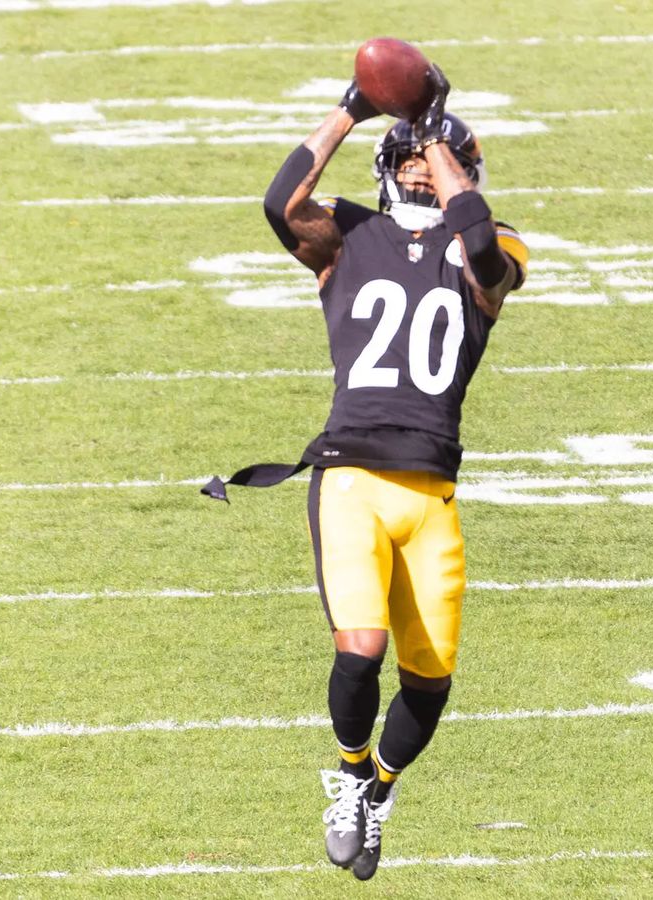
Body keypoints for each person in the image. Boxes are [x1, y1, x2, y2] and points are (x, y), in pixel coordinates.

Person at [202, 64, 528, 880]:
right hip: (349, 476)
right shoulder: (347, 235)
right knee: (361, 648)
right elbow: (280, 203)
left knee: (430, 683)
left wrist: (434, 128)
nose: (423, 164)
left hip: (431, 492)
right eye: (412, 155)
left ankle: (379, 789)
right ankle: (349, 775)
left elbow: (481, 244)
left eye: (438, 157)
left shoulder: (491, 246)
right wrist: (353, 108)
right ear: (386, 170)